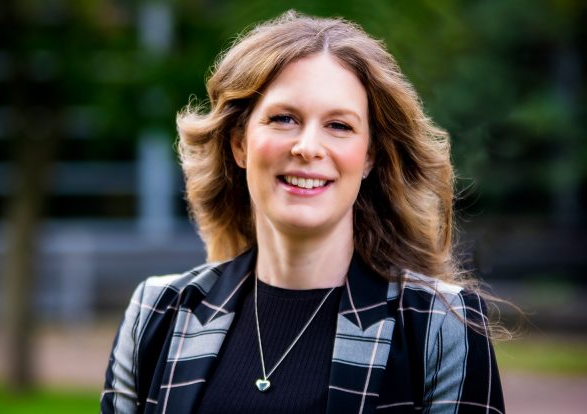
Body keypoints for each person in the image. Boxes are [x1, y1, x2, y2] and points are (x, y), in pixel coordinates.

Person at [102, 10, 505, 414]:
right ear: (239, 143)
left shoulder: (439, 326)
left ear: (369, 157)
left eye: (339, 126)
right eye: (284, 119)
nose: (308, 147)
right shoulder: (157, 312)